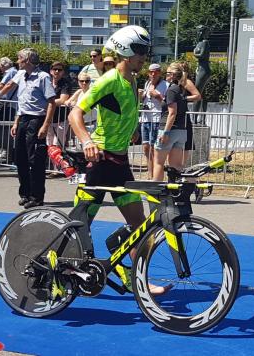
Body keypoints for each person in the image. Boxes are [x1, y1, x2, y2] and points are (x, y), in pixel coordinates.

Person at [68, 25, 171, 296]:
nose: (143, 57)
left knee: (140, 227)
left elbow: (122, 110)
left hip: (120, 163)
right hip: (99, 162)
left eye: (146, 51)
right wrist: (87, 142)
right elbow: (75, 114)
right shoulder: (108, 79)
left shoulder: (133, 80)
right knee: (79, 227)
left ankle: (137, 280)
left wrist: (133, 129)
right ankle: (61, 272)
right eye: (139, 51)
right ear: (125, 50)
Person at [0, 48, 57, 209]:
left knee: (35, 159)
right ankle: (25, 193)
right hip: (23, 118)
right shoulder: (20, 75)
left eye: (19, 59)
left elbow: (51, 102)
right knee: (20, 158)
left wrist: (45, 125)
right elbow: (11, 88)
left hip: (37, 119)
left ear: (27, 61)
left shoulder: (43, 77)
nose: (17, 62)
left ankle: (37, 196)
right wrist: (15, 121)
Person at [152, 63, 189, 181]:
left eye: (167, 73)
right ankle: (190, 185)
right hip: (181, 130)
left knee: (159, 163)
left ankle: (155, 192)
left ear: (172, 75)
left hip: (169, 129)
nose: (165, 75)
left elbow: (172, 112)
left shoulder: (172, 89)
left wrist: (166, 132)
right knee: (176, 165)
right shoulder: (181, 89)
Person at [138, 63, 168, 179]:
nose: (153, 74)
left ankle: (155, 176)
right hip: (145, 118)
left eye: (156, 71)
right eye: (151, 72)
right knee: (146, 148)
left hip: (156, 119)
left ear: (160, 73)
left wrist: (158, 96)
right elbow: (146, 100)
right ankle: (150, 174)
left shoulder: (166, 85)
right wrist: (142, 96)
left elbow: (168, 104)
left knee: (153, 148)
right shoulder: (147, 83)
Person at [46, 62, 75, 177]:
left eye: (59, 70)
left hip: (61, 119)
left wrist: (47, 103)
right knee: (49, 145)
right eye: (54, 69)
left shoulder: (65, 83)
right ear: (51, 71)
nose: (56, 72)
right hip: (48, 119)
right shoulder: (47, 82)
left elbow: (63, 100)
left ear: (63, 72)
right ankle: (58, 167)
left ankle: (58, 169)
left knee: (57, 144)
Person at [174, 61, 202, 161]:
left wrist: (184, 98)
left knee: (186, 142)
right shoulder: (175, 82)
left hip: (183, 114)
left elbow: (197, 96)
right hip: (175, 113)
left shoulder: (186, 81)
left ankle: (182, 167)